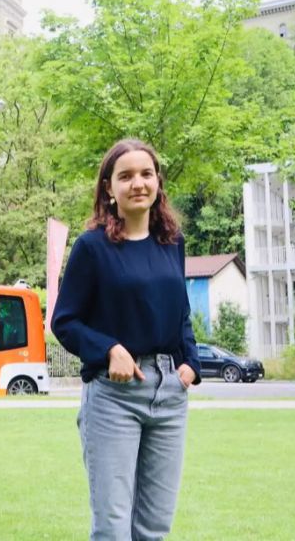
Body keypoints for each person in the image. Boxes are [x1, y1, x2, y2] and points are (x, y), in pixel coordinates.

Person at [51, 138, 201, 541]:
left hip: (170, 394)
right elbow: (64, 321)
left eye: (146, 174)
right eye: (126, 176)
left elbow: (181, 312)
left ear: (158, 183)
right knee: (113, 530)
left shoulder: (172, 243)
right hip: (114, 397)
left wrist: (191, 364)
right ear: (109, 188)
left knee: (154, 529)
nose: (138, 183)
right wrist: (109, 349)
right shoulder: (92, 248)